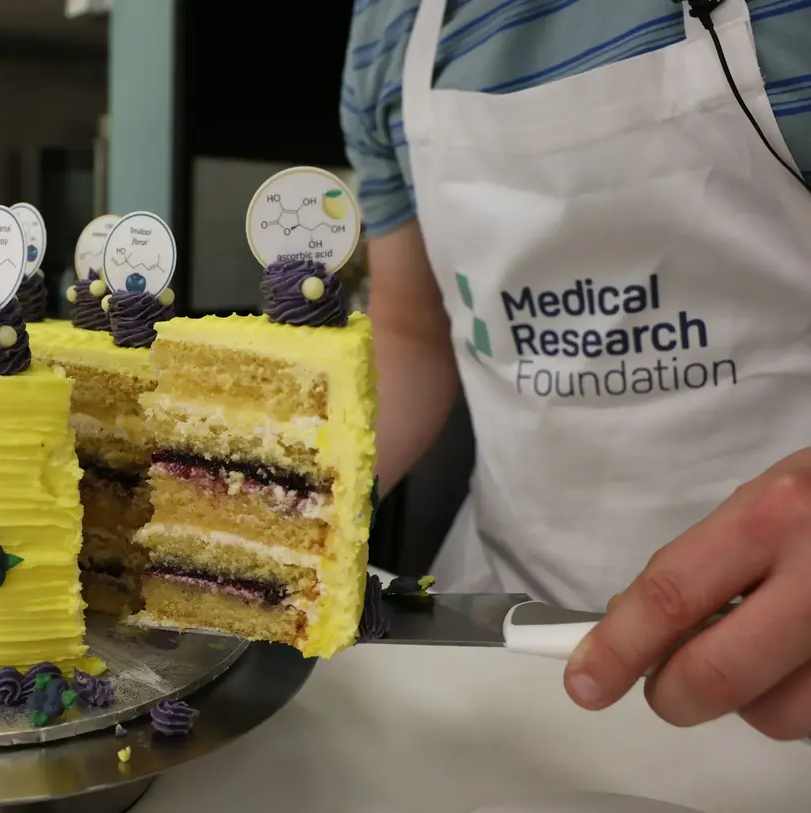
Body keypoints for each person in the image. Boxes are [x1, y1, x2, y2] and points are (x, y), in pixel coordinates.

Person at [341, 0, 811, 741]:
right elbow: (410, 328)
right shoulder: (387, 27)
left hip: (779, 674)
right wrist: (288, 488)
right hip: (496, 629)